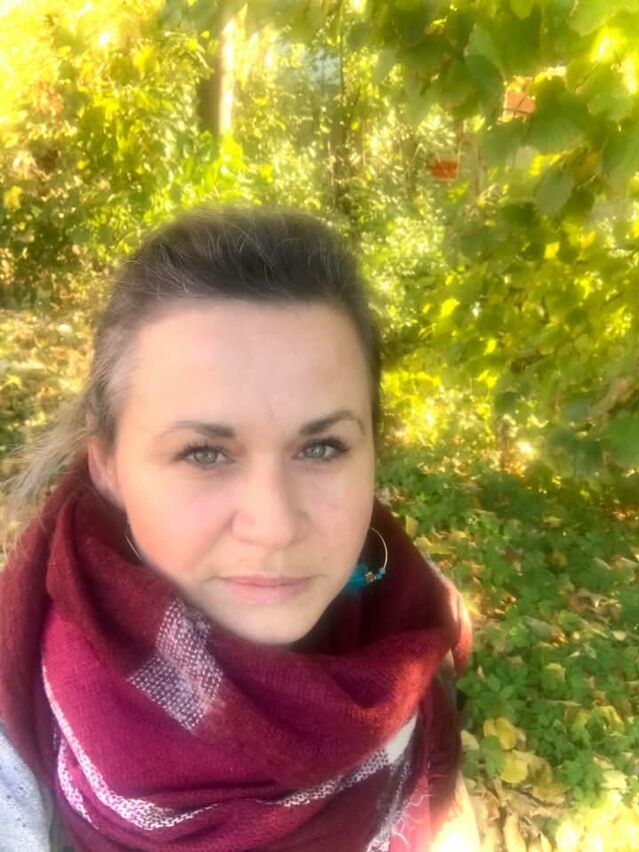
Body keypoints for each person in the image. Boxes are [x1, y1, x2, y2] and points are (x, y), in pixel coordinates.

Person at [0, 207, 479, 851]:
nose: (274, 526)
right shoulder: (19, 721)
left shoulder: (413, 629)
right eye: (204, 453)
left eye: (322, 448)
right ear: (107, 465)